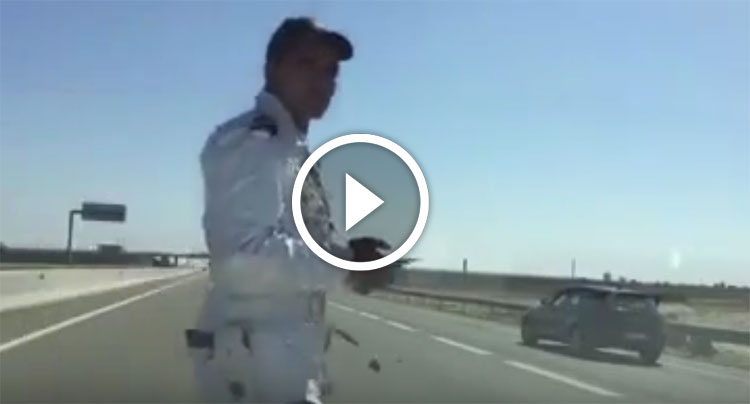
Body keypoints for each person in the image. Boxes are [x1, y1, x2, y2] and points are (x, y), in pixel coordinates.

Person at [187, 17, 392, 403]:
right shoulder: (254, 142)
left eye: (331, 70)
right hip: (255, 371)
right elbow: (245, 257)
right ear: (272, 68)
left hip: (283, 363)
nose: (322, 79)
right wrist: (347, 263)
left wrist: (351, 253)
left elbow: (297, 242)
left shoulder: (291, 151)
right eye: (306, 63)